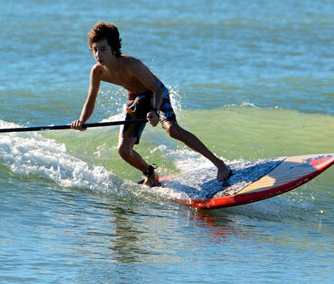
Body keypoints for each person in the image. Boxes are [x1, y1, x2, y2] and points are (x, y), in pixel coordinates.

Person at [71, 21, 231, 186]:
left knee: (173, 130)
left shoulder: (132, 65)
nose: (98, 54)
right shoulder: (97, 71)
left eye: (103, 49)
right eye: (95, 50)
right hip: (136, 99)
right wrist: (82, 121)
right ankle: (151, 174)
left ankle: (220, 165)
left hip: (156, 94)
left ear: (113, 49)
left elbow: (157, 90)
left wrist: (154, 111)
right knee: (124, 150)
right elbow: (91, 99)